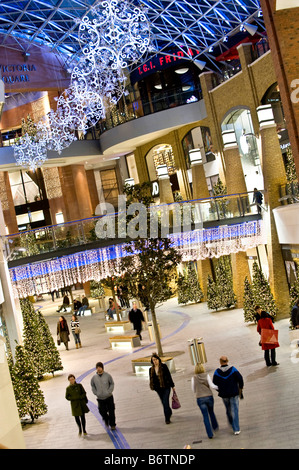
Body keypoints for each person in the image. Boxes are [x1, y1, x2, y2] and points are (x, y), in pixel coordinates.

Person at [213, 356, 244, 435]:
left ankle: (231, 422)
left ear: (220, 362)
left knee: (228, 409)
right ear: (227, 361)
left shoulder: (217, 372)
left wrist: (220, 390)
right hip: (234, 393)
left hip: (224, 395)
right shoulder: (233, 369)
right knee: (235, 410)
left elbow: (214, 384)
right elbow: (240, 378)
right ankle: (236, 429)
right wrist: (240, 387)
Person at [191, 363, 219, 439]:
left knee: (205, 416)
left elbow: (193, 389)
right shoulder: (206, 375)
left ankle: (210, 434)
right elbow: (212, 385)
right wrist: (220, 387)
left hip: (200, 398)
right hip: (209, 397)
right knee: (211, 412)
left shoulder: (194, 378)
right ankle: (215, 426)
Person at [149, 353, 175, 424]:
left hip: (166, 387)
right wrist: (153, 387)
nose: (155, 361)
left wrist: (172, 386)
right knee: (163, 402)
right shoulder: (151, 369)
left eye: (156, 359)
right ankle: (169, 411)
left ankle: (167, 419)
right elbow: (151, 379)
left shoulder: (163, 366)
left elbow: (169, 376)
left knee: (165, 401)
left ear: (158, 359)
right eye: (153, 360)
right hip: (158, 389)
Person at [90, 362, 116, 430]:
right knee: (102, 411)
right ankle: (106, 419)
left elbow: (112, 383)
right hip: (100, 398)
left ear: (102, 368)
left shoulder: (107, 375)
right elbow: (93, 385)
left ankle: (112, 424)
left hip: (108, 397)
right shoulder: (94, 378)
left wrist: (109, 391)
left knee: (111, 411)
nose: (98, 369)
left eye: (99, 367)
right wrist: (96, 393)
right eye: (97, 367)